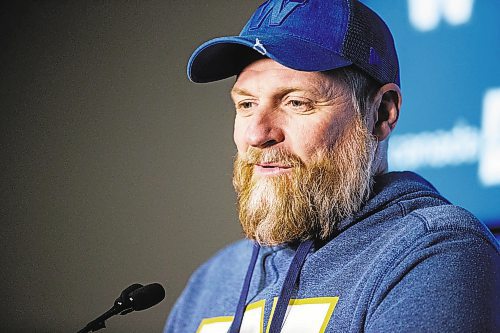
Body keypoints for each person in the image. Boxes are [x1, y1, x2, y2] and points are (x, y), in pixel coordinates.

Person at [165, 1, 499, 332]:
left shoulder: (437, 253)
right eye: (247, 104)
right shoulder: (213, 280)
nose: (257, 134)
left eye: (297, 102)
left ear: (381, 113)